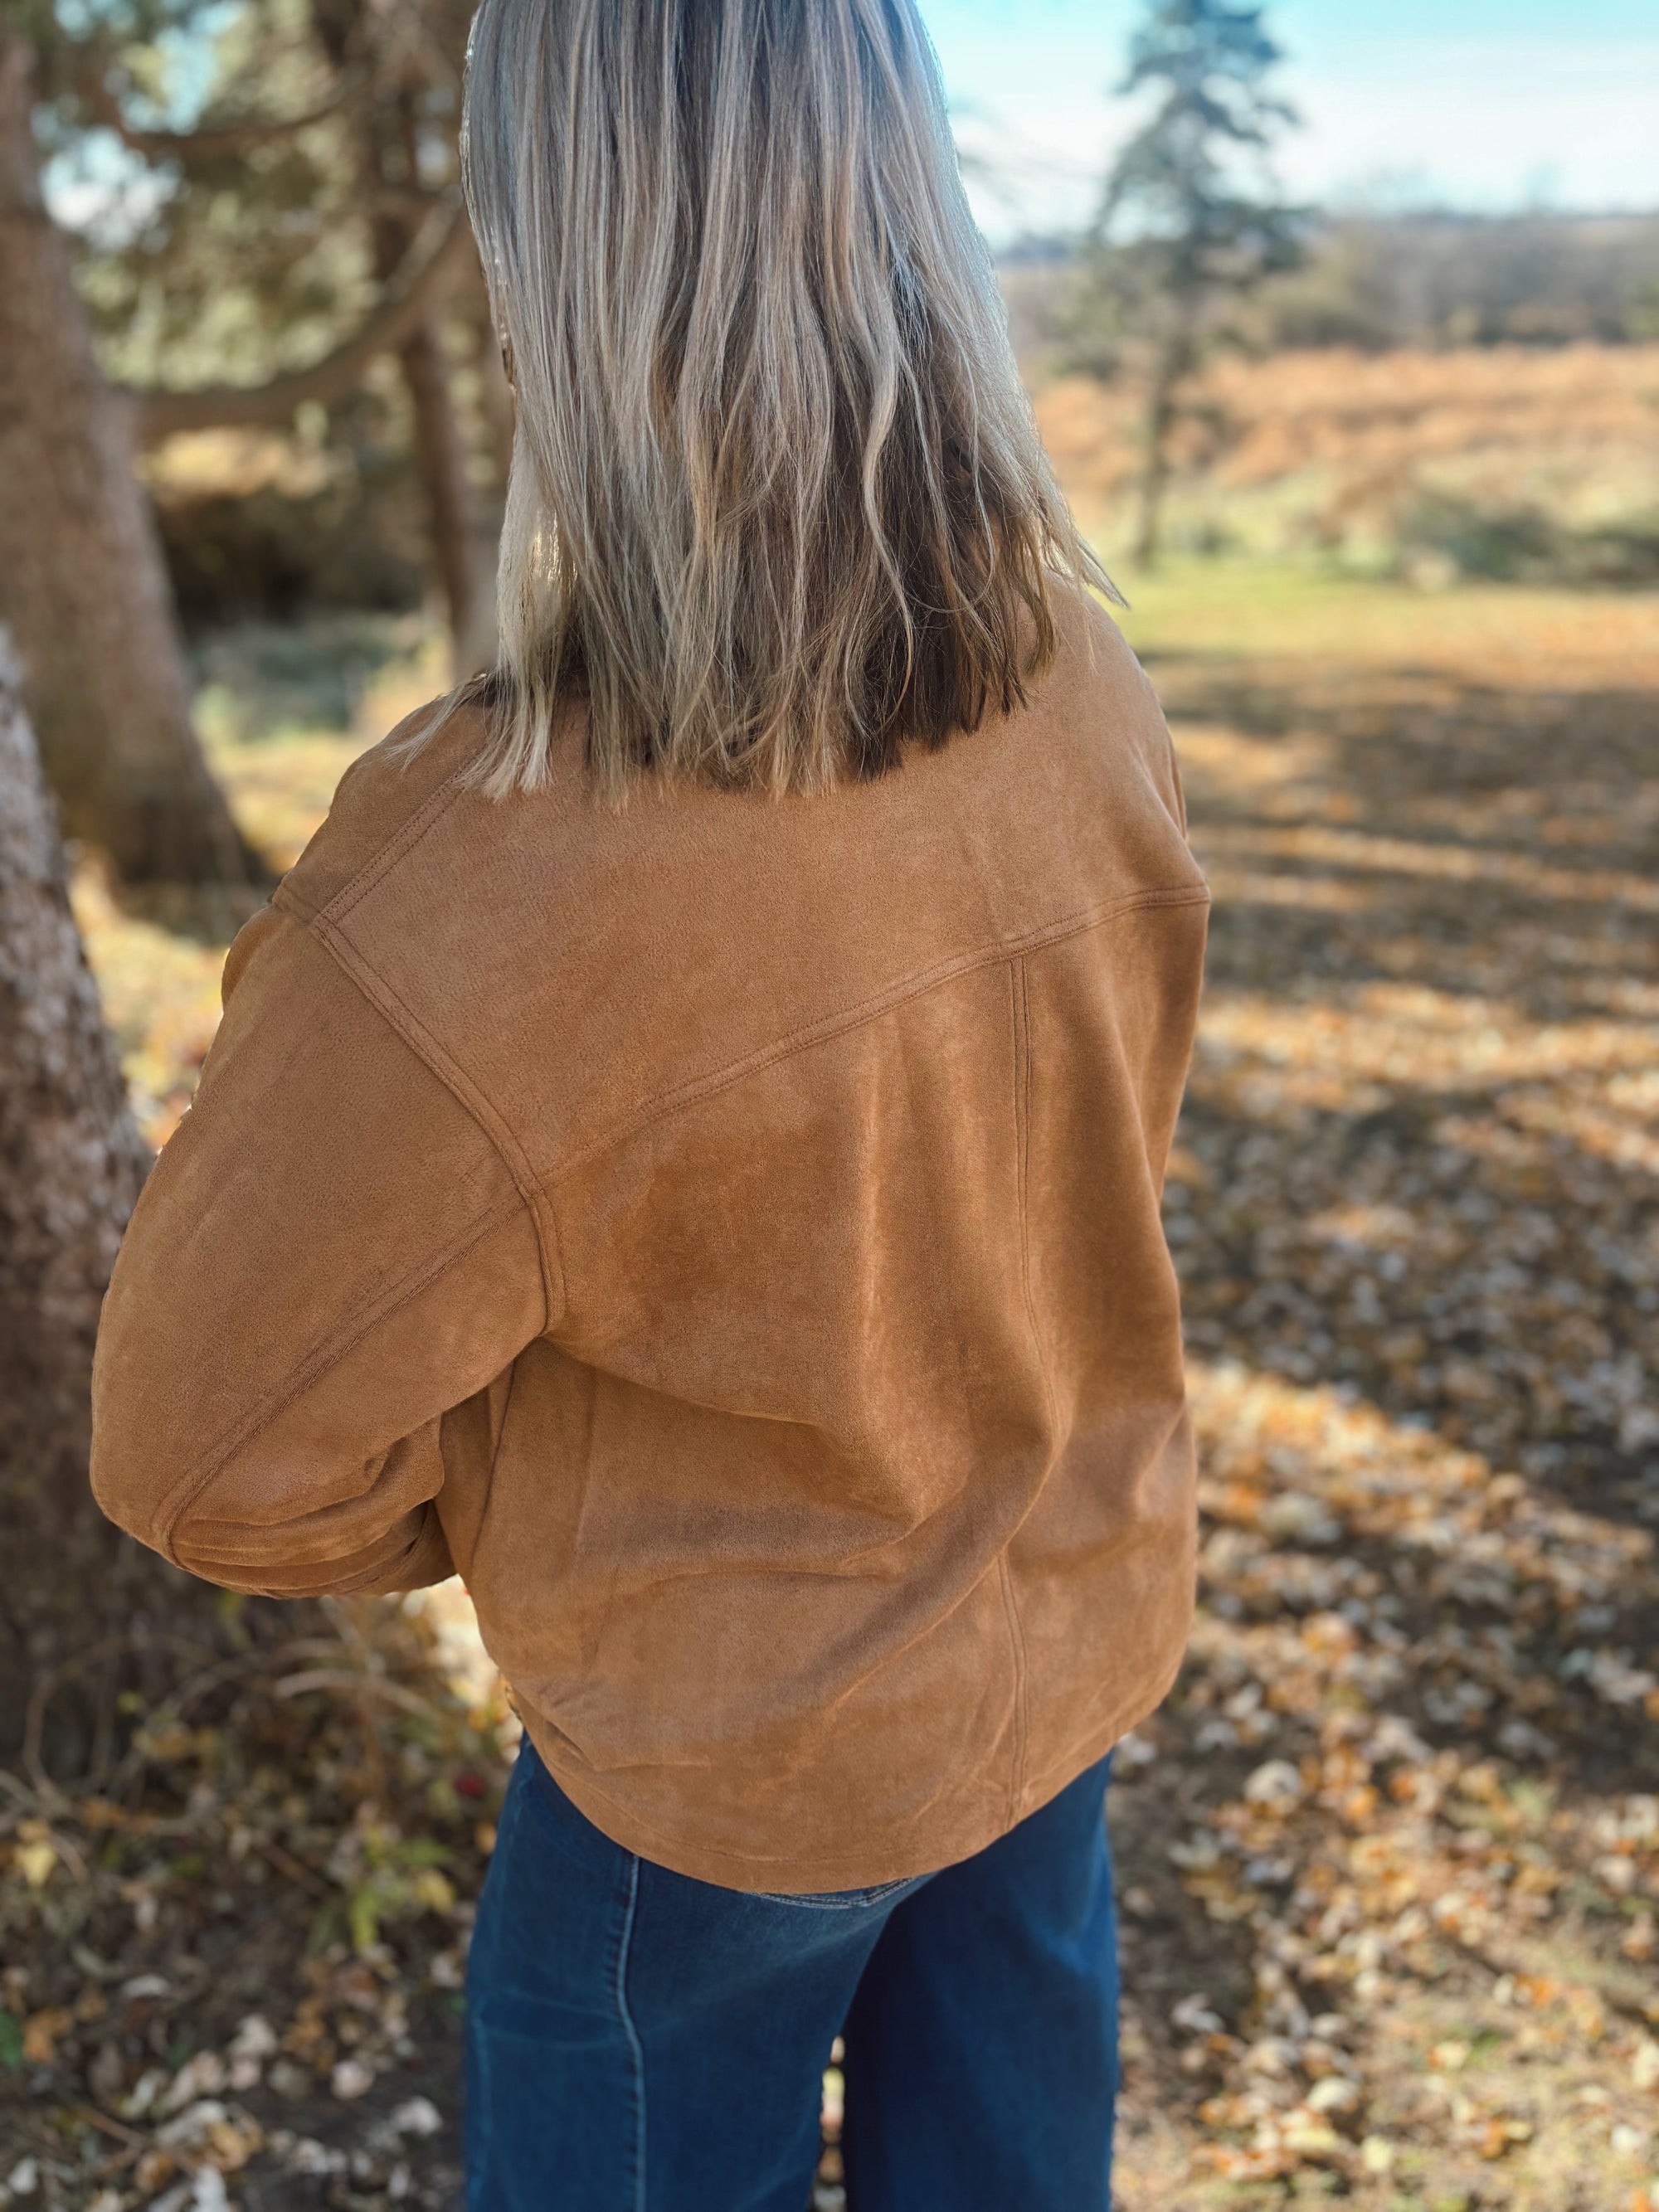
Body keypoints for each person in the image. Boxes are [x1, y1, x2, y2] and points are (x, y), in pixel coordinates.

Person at [90, 0, 1210, 2204]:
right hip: (1060, 1654)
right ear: (907, 187)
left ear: (552, 236)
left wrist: (535, 1501)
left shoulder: (483, 874)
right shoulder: (1087, 683)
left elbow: (200, 1452)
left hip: (713, 1782)